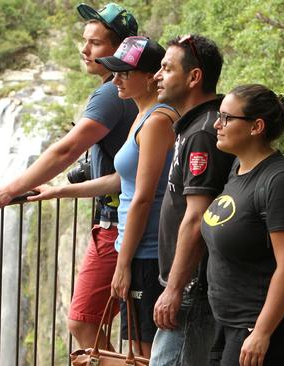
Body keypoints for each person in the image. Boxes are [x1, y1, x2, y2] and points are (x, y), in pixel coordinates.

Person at [0, 2, 139, 349]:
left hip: (117, 226)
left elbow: (66, 150)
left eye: (95, 43)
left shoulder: (111, 94)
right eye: (84, 40)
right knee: (135, 337)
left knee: (84, 324)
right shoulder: (130, 90)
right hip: (126, 218)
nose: (84, 49)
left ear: (119, 49)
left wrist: (10, 190)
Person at [28, 36, 178, 358]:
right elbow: (122, 180)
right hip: (137, 249)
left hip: (148, 252)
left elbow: (141, 197)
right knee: (138, 348)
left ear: (151, 76)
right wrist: (60, 190)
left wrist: (122, 264)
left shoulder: (157, 120)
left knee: (147, 351)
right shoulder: (142, 115)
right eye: (116, 72)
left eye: (125, 73)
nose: (117, 79)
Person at [201, 84, 284, 366]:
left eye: (227, 118)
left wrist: (262, 332)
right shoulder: (239, 168)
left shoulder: (280, 183)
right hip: (231, 322)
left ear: (256, 127)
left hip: (270, 328)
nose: (217, 124)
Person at [149, 34, 235, 365]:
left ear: (194, 77)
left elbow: (198, 216)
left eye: (166, 69)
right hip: (188, 284)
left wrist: (174, 288)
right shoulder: (195, 124)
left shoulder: (202, 133)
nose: (157, 76)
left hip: (191, 288)